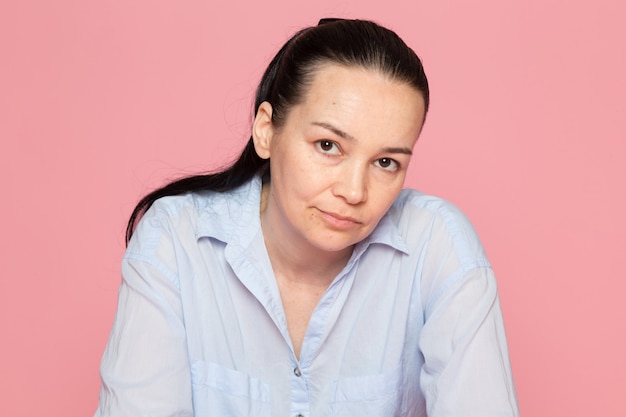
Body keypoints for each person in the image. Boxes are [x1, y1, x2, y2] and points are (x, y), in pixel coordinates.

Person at [94, 18, 519, 417]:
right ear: (266, 130)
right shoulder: (178, 240)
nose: (354, 192)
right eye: (328, 146)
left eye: (386, 162)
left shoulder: (437, 247)